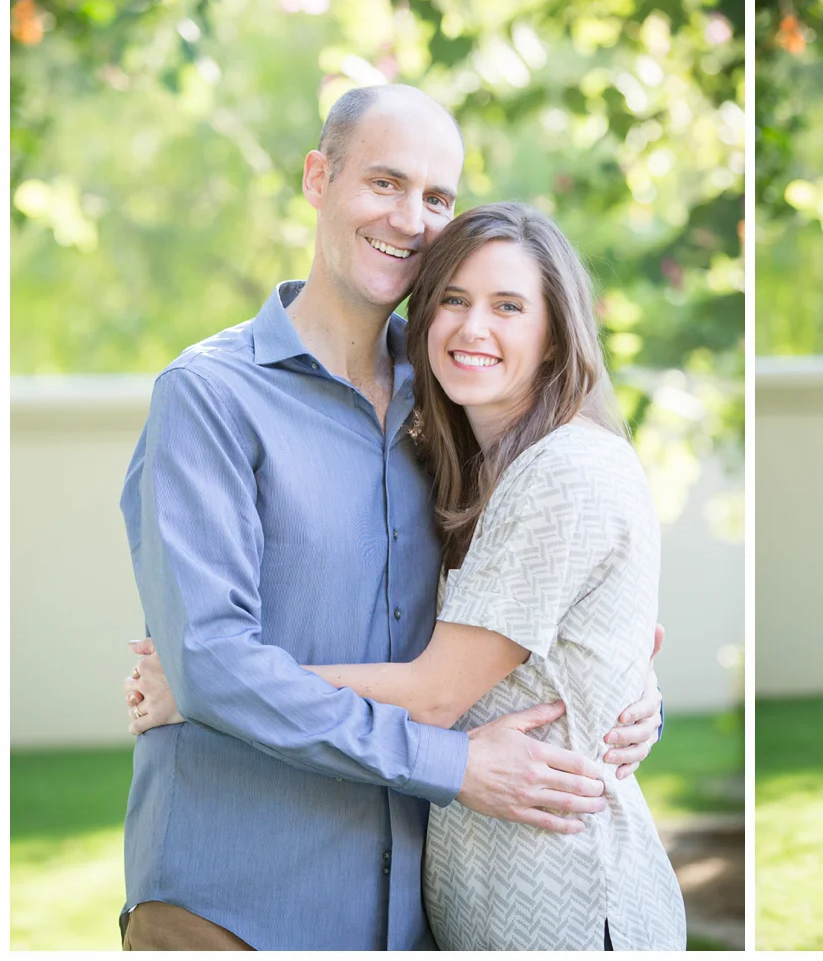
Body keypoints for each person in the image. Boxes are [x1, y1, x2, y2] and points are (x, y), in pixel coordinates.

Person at [117, 85, 663, 951]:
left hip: (415, 913)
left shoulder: (453, 392)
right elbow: (212, 660)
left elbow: (557, 593)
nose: (410, 218)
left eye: (437, 197)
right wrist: (456, 765)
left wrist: (624, 692)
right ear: (318, 178)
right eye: (384, 182)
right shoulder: (211, 397)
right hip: (235, 896)